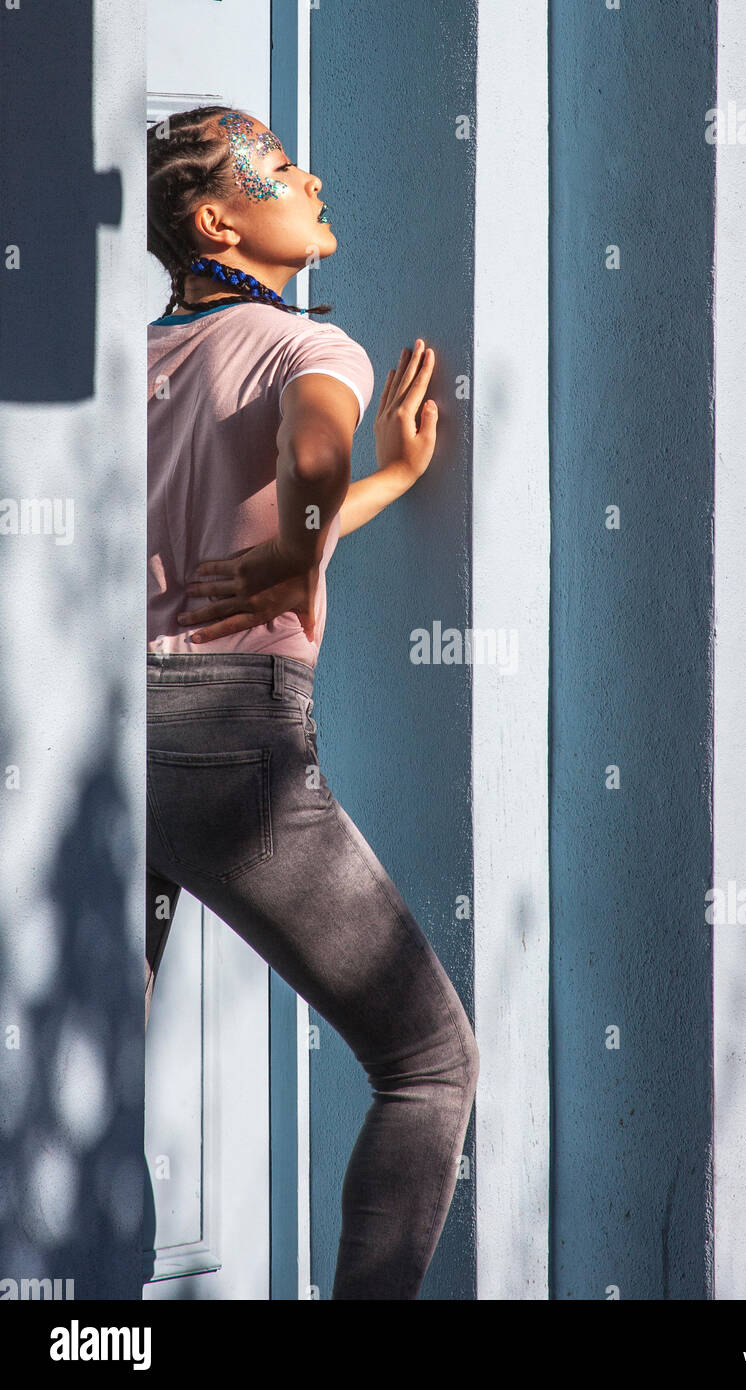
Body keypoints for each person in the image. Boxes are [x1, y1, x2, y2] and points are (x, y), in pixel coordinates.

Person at [145, 105, 478, 1300]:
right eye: (282, 169)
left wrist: (364, 495)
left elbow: (271, 516)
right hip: (232, 747)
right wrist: (302, 536)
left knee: (83, 1083)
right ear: (217, 217)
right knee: (430, 1064)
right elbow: (308, 459)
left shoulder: (128, 364)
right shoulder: (307, 351)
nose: (314, 176)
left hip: (108, 745)